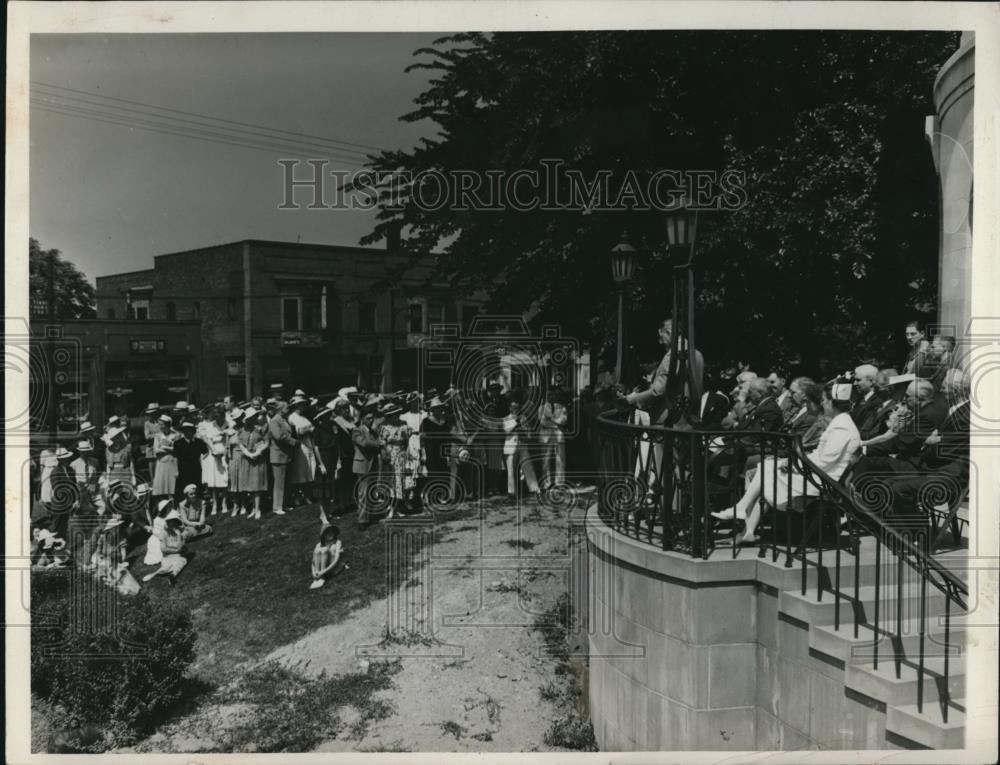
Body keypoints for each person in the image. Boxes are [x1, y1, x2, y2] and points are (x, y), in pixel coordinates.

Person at [712, 378, 861, 544]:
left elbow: (824, 461)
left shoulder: (841, 425)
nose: (823, 404)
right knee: (767, 467)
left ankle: (743, 514)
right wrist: (791, 464)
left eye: (825, 401)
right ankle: (744, 519)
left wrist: (793, 465)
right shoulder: (840, 422)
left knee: (767, 470)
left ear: (832, 403)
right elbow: (821, 457)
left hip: (822, 481)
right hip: (818, 474)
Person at [624, 318, 705, 425]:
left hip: (669, 420)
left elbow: (658, 391)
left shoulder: (673, 356)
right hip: (690, 419)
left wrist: (634, 398)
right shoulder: (697, 354)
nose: (660, 341)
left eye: (661, 336)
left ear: (669, 332)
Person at [288, 395, 327, 506]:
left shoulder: (304, 417)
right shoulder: (292, 417)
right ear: (296, 406)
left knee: (309, 471)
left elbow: (312, 428)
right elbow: (297, 431)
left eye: (303, 404)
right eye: (301, 404)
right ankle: (297, 497)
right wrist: (308, 429)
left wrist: (309, 430)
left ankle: (307, 496)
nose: (303, 406)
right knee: (300, 473)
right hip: (300, 447)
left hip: (309, 444)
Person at [376, 402, 410, 520]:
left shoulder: (403, 425)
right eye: (392, 415)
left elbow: (406, 442)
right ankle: (390, 508)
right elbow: (381, 444)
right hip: (389, 455)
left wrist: (405, 454)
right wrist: (385, 455)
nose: (395, 417)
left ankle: (398, 508)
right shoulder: (383, 427)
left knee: (400, 481)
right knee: (390, 481)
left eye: (396, 414)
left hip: (401, 454)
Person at [352, 400, 382, 526]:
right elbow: (364, 444)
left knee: (371, 492)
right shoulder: (357, 430)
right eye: (368, 418)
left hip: (373, 464)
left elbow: (376, 444)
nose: (371, 421)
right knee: (363, 493)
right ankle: (362, 520)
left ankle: (369, 516)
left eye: (372, 418)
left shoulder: (373, 432)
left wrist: (378, 444)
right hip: (362, 465)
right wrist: (378, 444)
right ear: (362, 418)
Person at [236, 407, 269, 519]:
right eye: (251, 417)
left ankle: (258, 508)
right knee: (250, 486)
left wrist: (258, 452)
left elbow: (267, 442)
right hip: (247, 459)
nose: (253, 419)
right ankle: (254, 509)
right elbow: (240, 445)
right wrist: (249, 454)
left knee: (257, 485)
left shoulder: (260, 429)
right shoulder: (242, 430)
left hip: (258, 459)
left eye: (254, 417)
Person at [142, 507, 188, 585]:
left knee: (181, 562)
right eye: (170, 522)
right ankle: (155, 573)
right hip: (167, 557)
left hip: (178, 556)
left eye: (174, 522)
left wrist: (177, 549)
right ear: (167, 523)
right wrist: (176, 550)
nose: (172, 524)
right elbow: (163, 549)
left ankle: (173, 575)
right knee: (166, 567)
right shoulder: (164, 533)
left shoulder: (178, 532)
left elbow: (180, 546)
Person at [268, 400, 299, 515]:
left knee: (286, 482)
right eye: (287, 408)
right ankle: (277, 507)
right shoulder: (274, 420)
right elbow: (278, 436)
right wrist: (293, 441)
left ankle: (284, 504)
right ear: (281, 409)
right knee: (279, 482)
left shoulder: (284, 419)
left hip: (286, 455)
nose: (288, 410)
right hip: (279, 455)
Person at [199, 406, 230, 515]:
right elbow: (207, 439)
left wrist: (225, 451)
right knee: (214, 481)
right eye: (214, 416)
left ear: (223, 415)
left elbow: (229, 439)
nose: (216, 419)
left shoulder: (228, 423)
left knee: (225, 480)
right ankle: (215, 504)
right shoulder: (211, 425)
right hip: (214, 452)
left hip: (226, 452)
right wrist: (213, 450)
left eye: (218, 416)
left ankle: (224, 503)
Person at [538, 388, 568, 489]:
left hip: (558, 436)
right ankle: (547, 483)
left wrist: (550, 418)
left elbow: (563, 421)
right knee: (545, 460)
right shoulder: (541, 408)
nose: (551, 397)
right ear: (546, 396)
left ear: (556, 396)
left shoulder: (562, 408)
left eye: (553, 394)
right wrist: (556, 424)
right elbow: (542, 422)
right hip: (546, 437)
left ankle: (559, 482)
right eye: (549, 395)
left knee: (560, 459)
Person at [173, 421, 206, 503]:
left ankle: (199, 504)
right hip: (183, 468)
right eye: (185, 431)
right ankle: (186, 506)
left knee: (197, 486)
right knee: (184, 487)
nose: (187, 433)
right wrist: (176, 470)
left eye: (189, 430)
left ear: (193, 431)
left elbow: (205, 452)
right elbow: (175, 457)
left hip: (196, 467)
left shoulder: (199, 442)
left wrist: (203, 464)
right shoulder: (178, 443)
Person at [310, 518, 345, 590]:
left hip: (334, 567)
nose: (330, 534)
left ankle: (322, 577)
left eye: (331, 532)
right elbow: (313, 561)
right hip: (323, 569)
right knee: (318, 550)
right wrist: (313, 573)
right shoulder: (319, 544)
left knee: (325, 549)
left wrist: (323, 572)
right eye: (327, 533)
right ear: (323, 535)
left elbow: (336, 560)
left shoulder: (337, 542)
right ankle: (317, 578)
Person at [151, 416, 178, 500]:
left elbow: (177, 450)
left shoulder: (176, 435)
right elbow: (156, 451)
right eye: (159, 424)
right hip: (161, 463)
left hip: (172, 462)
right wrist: (170, 449)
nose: (160, 426)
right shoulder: (158, 436)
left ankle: (174, 506)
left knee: (172, 485)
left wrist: (164, 447)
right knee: (161, 486)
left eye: (162, 424)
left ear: (167, 425)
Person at [143, 403, 161, 482]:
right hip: (151, 450)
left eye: (153, 413)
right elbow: (147, 436)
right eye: (150, 413)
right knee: (153, 472)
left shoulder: (161, 422)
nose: (151, 415)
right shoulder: (147, 424)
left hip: (161, 449)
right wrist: (158, 435)